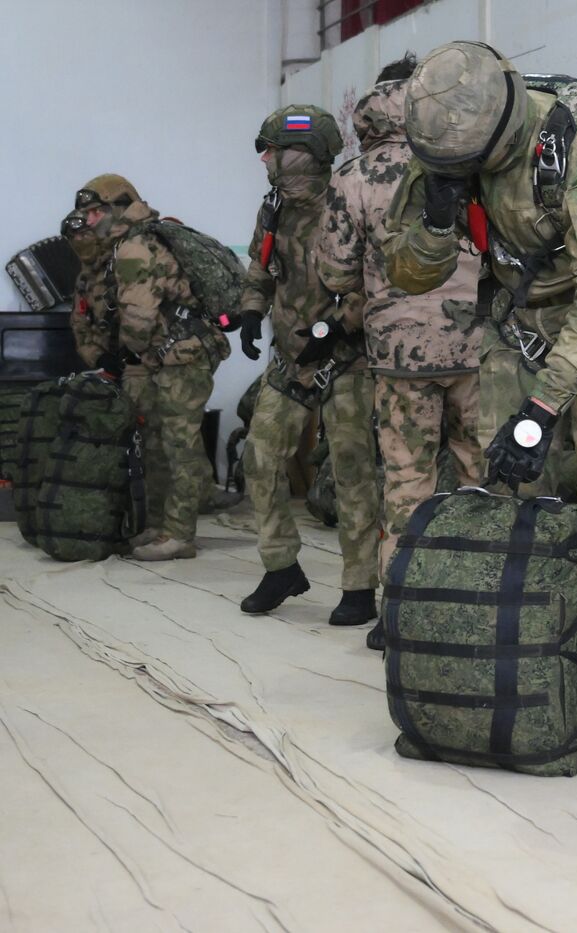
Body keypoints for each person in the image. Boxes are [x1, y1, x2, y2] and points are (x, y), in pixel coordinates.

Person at [384, 41, 577, 755]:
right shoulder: (445, 149)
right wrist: (439, 223)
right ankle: (522, 650)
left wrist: (543, 409)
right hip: (518, 329)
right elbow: (408, 274)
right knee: (509, 499)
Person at [317, 54, 484, 650]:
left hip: (399, 355)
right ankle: (482, 607)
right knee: (479, 479)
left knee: (407, 486)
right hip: (477, 348)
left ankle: (401, 616)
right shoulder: (468, 160)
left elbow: (335, 273)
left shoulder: (355, 176)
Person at [236, 106, 380, 626]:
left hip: (346, 360)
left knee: (352, 472)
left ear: (301, 155)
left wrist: (338, 328)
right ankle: (281, 567)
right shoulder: (274, 206)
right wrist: (253, 311)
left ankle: (361, 585)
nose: (265, 159)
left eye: (272, 150)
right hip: (290, 359)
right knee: (259, 456)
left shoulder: (349, 203)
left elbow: (376, 283)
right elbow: (261, 263)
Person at [71, 175, 231, 560]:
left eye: (95, 213)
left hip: (183, 357)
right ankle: (160, 528)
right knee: (159, 447)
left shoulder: (134, 248)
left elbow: (138, 321)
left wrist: (137, 354)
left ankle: (179, 534)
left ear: (118, 209)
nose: (88, 221)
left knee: (179, 447)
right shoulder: (136, 241)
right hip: (171, 356)